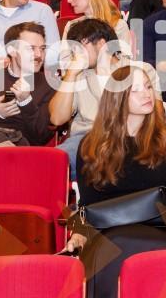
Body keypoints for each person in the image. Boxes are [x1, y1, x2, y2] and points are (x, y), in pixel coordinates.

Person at [63, 65, 166, 298]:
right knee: (112, 245)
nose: (146, 93)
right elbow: (89, 207)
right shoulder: (93, 145)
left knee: (119, 244)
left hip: (164, 231)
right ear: (117, 97)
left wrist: (122, 216)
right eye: (135, 89)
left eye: (148, 86)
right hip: (108, 235)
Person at [50, 19, 158, 179]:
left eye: (79, 48)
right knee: (50, 161)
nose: (75, 55)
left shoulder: (140, 70)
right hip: (87, 138)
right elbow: (57, 119)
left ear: (101, 44)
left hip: (132, 136)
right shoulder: (78, 76)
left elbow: (158, 114)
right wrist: (70, 74)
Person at [62, 0, 131, 60]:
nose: (68, 0)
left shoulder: (118, 25)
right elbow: (64, 63)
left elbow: (124, 63)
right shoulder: (71, 26)